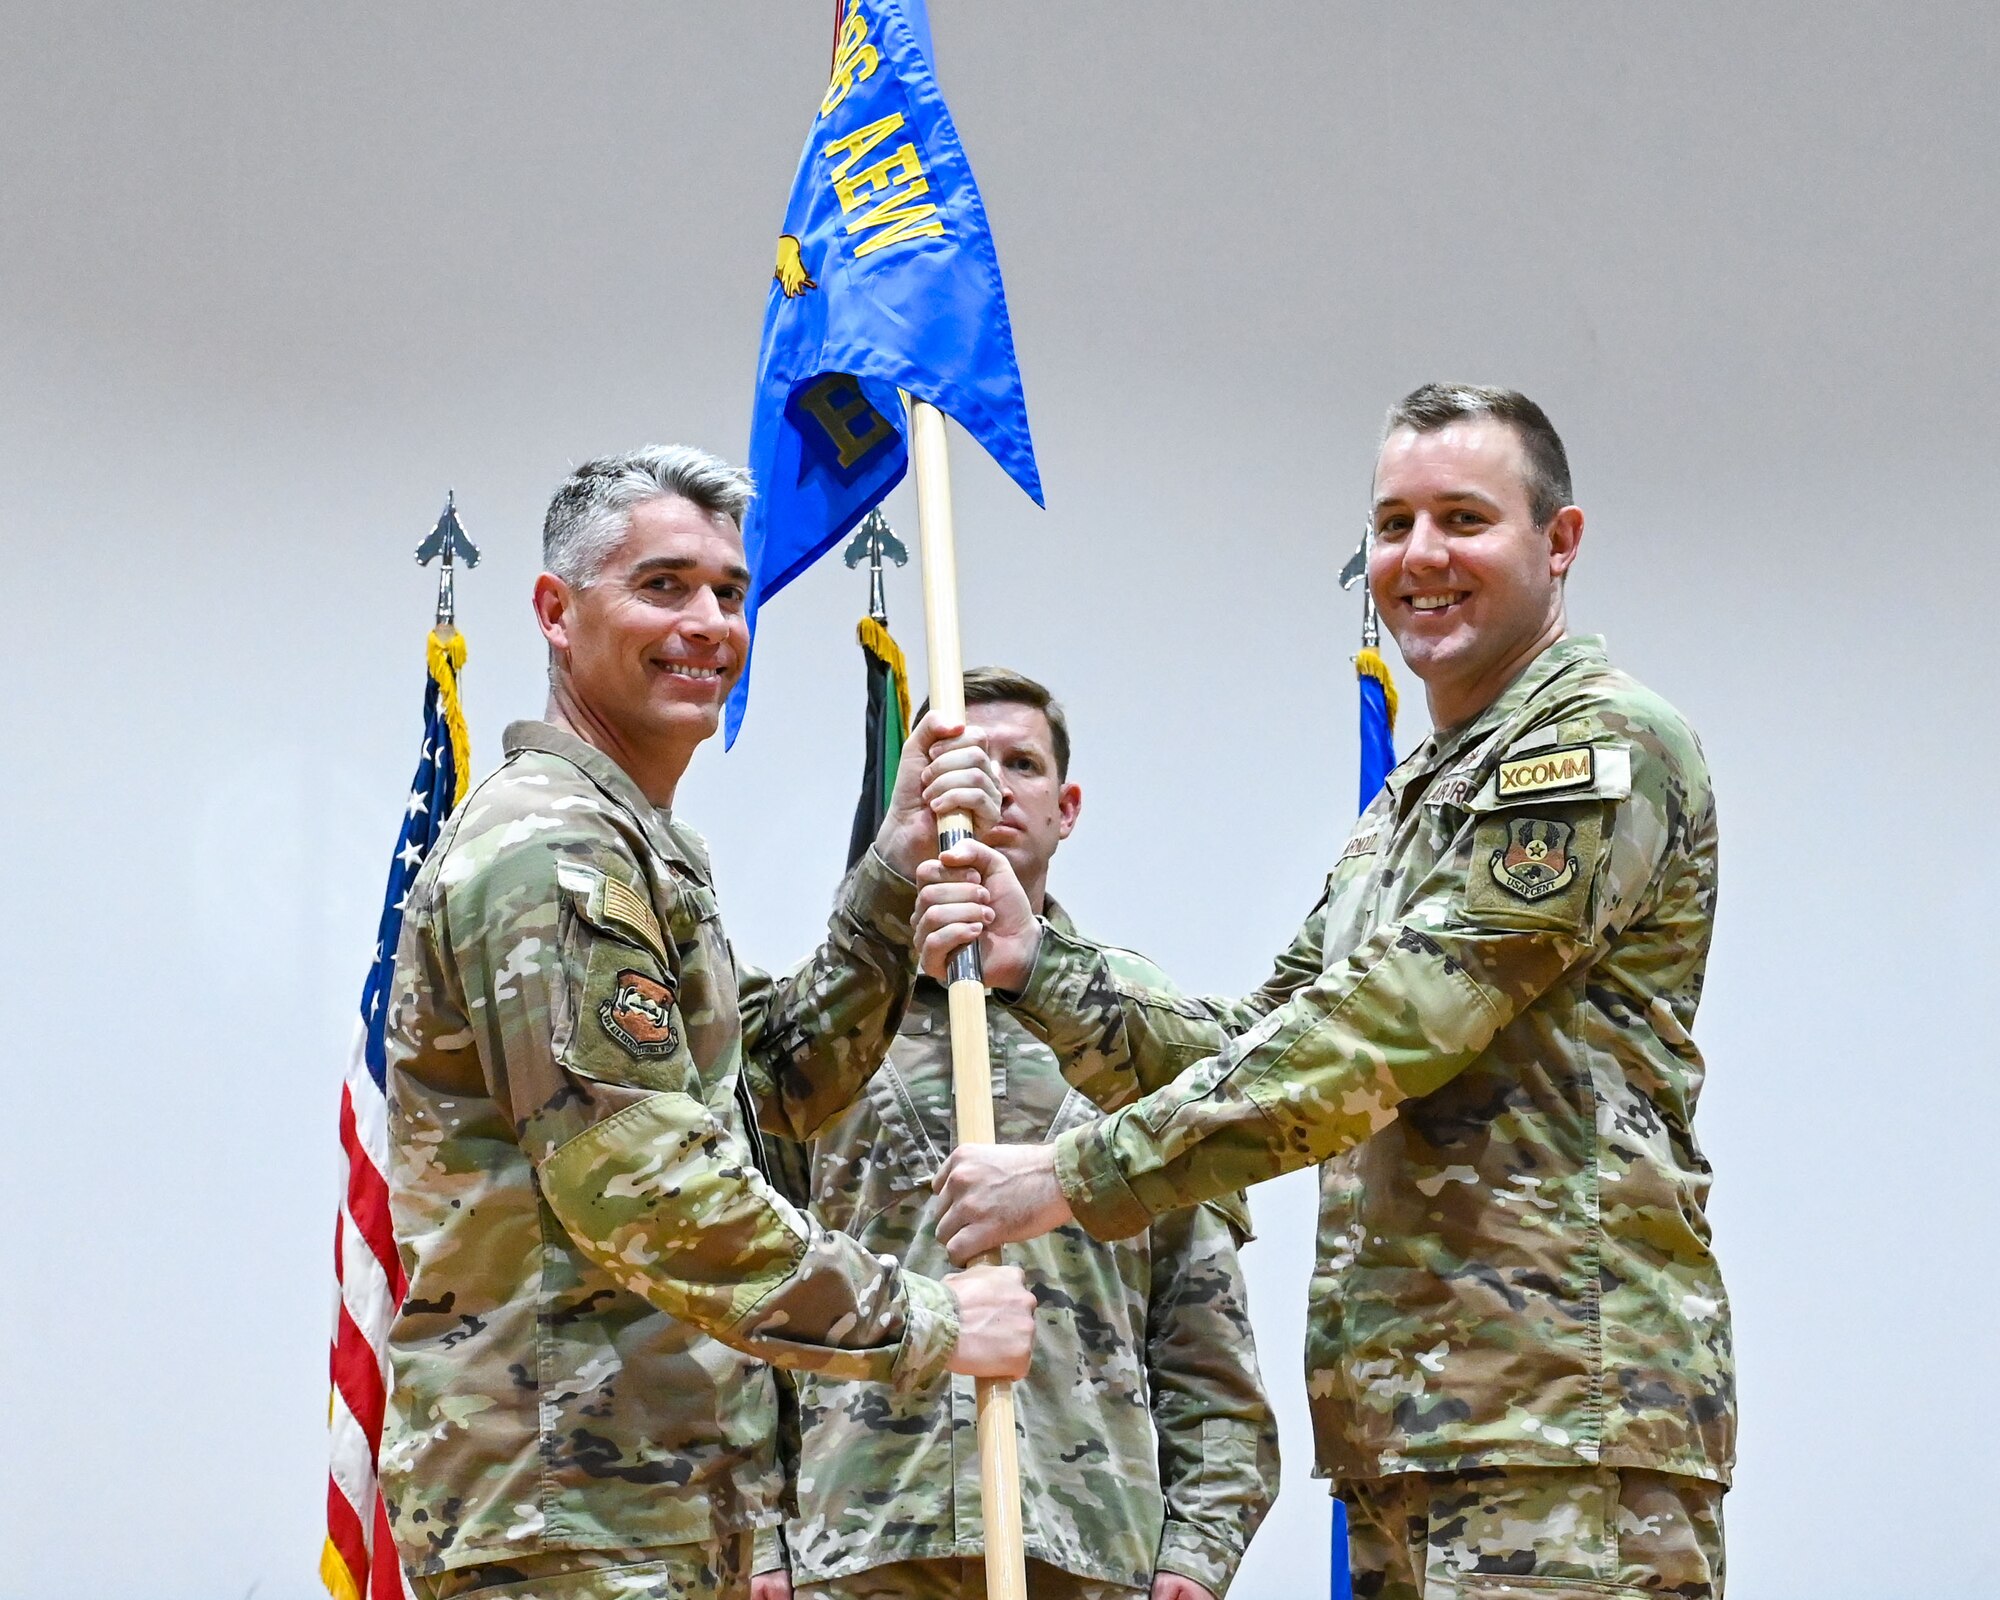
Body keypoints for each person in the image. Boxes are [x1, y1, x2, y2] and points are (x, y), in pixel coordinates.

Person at [918, 387, 1734, 1597]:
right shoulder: (1407, 807)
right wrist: (1043, 969)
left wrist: (1071, 1177)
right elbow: (1256, 1036)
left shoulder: (1597, 750)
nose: (1420, 557)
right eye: (1394, 522)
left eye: (1463, 518)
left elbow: (1389, 1031)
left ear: (1556, 544)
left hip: (1564, 1422)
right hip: (1411, 1432)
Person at [380, 446, 1038, 1600]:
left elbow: (771, 1096)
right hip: (568, 1509)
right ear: (554, 610)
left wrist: (889, 880)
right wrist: (926, 1321)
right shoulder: (553, 854)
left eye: (729, 594)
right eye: (663, 585)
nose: (708, 624)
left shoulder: (632, 845)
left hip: (645, 1502)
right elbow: (647, 1187)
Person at [765, 669, 1279, 1600]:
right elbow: (746, 1285)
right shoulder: (825, 1031)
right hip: (862, 1537)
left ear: (1066, 806)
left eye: (1022, 764)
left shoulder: (1137, 1032)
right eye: (962, 762)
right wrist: (759, 1537)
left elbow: (1203, 1324)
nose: (992, 786)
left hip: (1086, 1538)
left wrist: (1199, 1553)